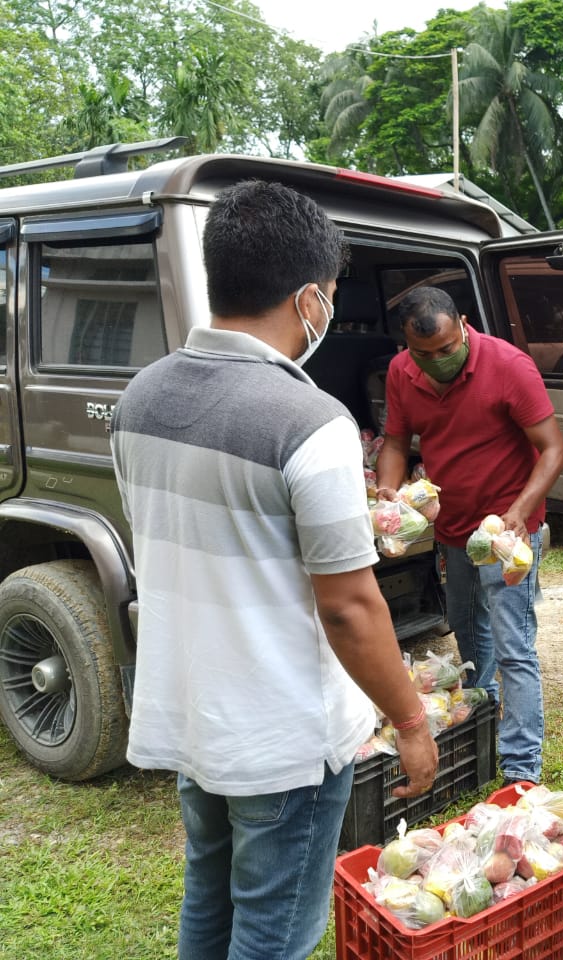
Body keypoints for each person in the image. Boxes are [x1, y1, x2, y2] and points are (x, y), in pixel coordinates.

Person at [110, 179, 439, 960]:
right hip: (283, 736)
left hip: (195, 716)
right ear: (308, 300)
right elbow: (349, 608)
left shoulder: (138, 400)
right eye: (328, 294)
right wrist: (415, 723)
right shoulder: (310, 422)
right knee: (274, 933)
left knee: (210, 898)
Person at [375, 286, 563, 786]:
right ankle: (482, 718)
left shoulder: (509, 365)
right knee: (465, 625)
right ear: (407, 347)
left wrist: (519, 513)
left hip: (507, 538)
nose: (438, 361)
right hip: (453, 531)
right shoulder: (402, 373)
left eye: (446, 349)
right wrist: (389, 494)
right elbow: (395, 440)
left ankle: (521, 771)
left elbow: (552, 450)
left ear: (462, 324)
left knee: (512, 645)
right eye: (425, 354)